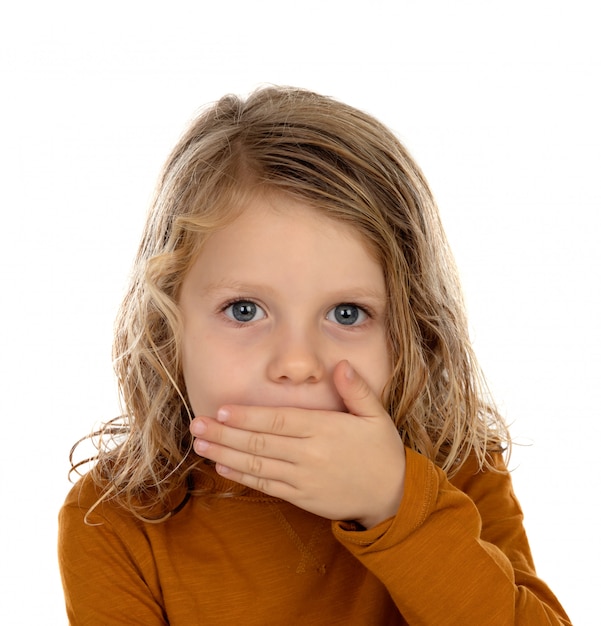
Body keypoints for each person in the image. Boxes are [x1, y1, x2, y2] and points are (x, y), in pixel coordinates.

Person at [58, 86, 571, 625]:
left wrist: (397, 506)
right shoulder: (113, 520)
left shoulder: (456, 468)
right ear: (168, 325)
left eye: (346, 313)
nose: (297, 363)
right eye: (244, 310)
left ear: (410, 331)